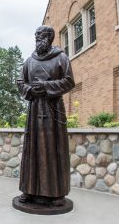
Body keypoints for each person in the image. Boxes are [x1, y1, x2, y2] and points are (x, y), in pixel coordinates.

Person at [16, 25, 75, 207]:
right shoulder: (29, 61)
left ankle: (57, 193)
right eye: (35, 35)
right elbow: (20, 81)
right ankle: (29, 190)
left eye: (40, 35)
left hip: (52, 111)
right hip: (34, 111)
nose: (37, 38)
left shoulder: (61, 58)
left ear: (49, 37)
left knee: (53, 150)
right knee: (31, 151)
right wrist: (30, 89)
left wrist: (47, 87)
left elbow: (69, 81)